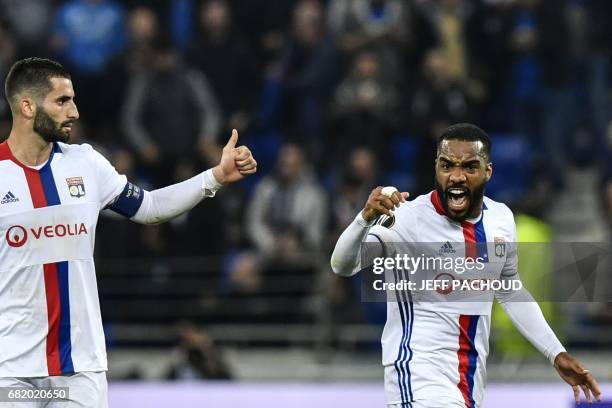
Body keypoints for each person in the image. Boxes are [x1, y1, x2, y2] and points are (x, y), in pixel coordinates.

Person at [0, 57, 256, 407]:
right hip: (10, 368)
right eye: (62, 101)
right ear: (27, 106)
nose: (74, 111)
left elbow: (149, 208)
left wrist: (214, 177)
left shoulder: (86, 163)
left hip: (79, 368)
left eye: (73, 99)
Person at [330, 123, 601, 407]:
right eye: (447, 166)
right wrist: (364, 219)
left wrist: (556, 354)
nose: (456, 176)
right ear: (436, 168)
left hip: (467, 383)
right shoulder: (405, 218)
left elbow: (509, 292)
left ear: (488, 171)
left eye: (469, 167)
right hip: (417, 377)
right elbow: (342, 265)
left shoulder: (501, 219)